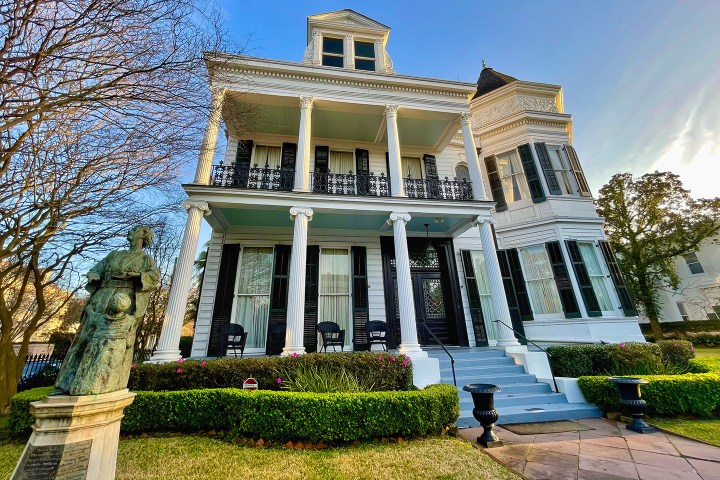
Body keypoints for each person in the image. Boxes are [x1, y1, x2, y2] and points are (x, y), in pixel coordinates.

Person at [54, 226, 159, 394]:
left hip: (125, 298)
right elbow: (97, 268)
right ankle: (67, 382)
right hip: (102, 297)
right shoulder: (114, 255)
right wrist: (93, 274)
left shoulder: (145, 259)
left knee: (113, 342)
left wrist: (137, 277)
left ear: (143, 236)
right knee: (84, 337)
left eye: (135, 230)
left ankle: (105, 383)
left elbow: (153, 278)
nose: (130, 232)